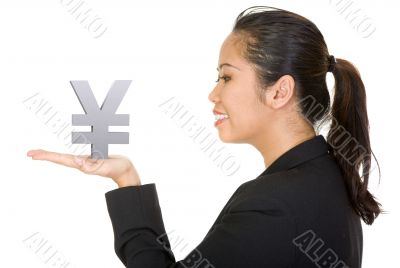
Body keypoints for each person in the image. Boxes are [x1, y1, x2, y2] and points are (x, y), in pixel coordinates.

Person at [27, 6, 382, 268]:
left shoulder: (273, 204)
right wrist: (126, 177)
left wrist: (126, 182)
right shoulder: (328, 174)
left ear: (279, 92)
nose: (214, 94)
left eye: (226, 77)